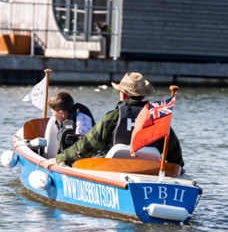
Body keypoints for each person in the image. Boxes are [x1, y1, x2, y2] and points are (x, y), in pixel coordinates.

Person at [46, 72, 184, 168]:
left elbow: (86, 145)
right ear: (143, 96)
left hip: (113, 170)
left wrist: (61, 157)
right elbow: (174, 155)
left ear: (123, 94)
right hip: (149, 172)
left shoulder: (113, 117)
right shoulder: (159, 118)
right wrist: (177, 169)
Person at [46, 91, 95, 155]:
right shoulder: (76, 114)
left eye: (53, 112)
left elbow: (84, 148)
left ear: (62, 113)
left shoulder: (80, 125)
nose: (52, 115)